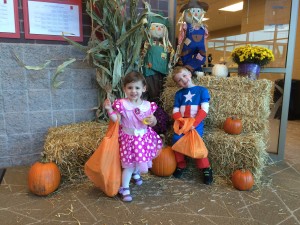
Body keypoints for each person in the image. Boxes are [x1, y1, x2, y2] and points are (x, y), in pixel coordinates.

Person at [103, 71, 163, 202]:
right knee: (128, 165)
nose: (133, 91)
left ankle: (136, 173)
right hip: (128, 140)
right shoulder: (122, 104)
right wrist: (109, 110)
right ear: (124, 89)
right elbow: (116, 120)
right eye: (130, 88)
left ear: (144, 88)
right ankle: (124, 188)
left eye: (137, 88)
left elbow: (153, 123)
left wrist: (153, 120)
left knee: (139, 159)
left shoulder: (148, 106)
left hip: (143, 139)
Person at [171, 66, 213, 185]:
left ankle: (206, 168)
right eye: (179, 80)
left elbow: (204, 110)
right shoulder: (179, 94)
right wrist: (181, 121)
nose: (183, 80)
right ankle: (181, 164)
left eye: (184, 76)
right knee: (176, 140)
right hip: (183, 123)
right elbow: (175, 111)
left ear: (190, 74)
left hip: (196, 123)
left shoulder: (202, 91)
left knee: (195, 143)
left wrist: (193, 124)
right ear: (178, 84)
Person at [176, 1, 209, 76]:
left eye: (198, 11)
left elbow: (204, 38)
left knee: (201, 57)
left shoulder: (203, 27)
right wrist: (179, 43)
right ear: (189, 12)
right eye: (193, 11)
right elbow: (181, 35)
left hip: (200, 46)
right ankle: (188, 68)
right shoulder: (186, 25)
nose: (196, 13)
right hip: (189, 45)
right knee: (185, 56)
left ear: (201, 12)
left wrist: (205, 46)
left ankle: (195, 69)